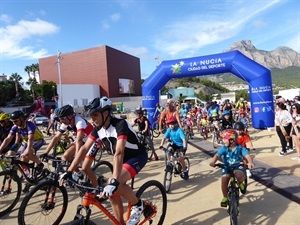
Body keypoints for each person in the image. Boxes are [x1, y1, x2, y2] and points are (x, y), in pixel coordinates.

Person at [60, 97, 148, 225]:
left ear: (105, 113)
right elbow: (84, 148)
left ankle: (138, 204)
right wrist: (69, 171)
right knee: (112, 193)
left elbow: (119, 152)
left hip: (136, 156)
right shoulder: (98, 129)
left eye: (95, 115)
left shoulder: (120, 124)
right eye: (91, 115)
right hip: (122, 160)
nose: (92, 119)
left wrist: (114, 181)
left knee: (116, 183)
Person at [42, 105, 94, 178]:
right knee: (66, 156)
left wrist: (76, 156)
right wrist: (45, 152)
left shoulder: (79, 122)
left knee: (85, 167)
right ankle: (79, 174)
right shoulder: (66, 123)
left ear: (70, 116)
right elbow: (56, 137)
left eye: (62, 118)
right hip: (82, 141)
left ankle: (95, 185)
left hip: (91, 141)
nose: (61, 121)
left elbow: (79, 139)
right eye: (60, 119)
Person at [209, 129, 255, 207]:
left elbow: (247, 155)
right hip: (226, 166)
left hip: (237, 165)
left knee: (239, 174)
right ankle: (225, 197)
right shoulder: (224, 148)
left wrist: (250, 162)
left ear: (232, 140)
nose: (223, 140)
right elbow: (217, 155)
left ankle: (240, 183)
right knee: (224, 179)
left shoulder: (240, 148)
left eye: (224, 139)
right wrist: (213, 162)